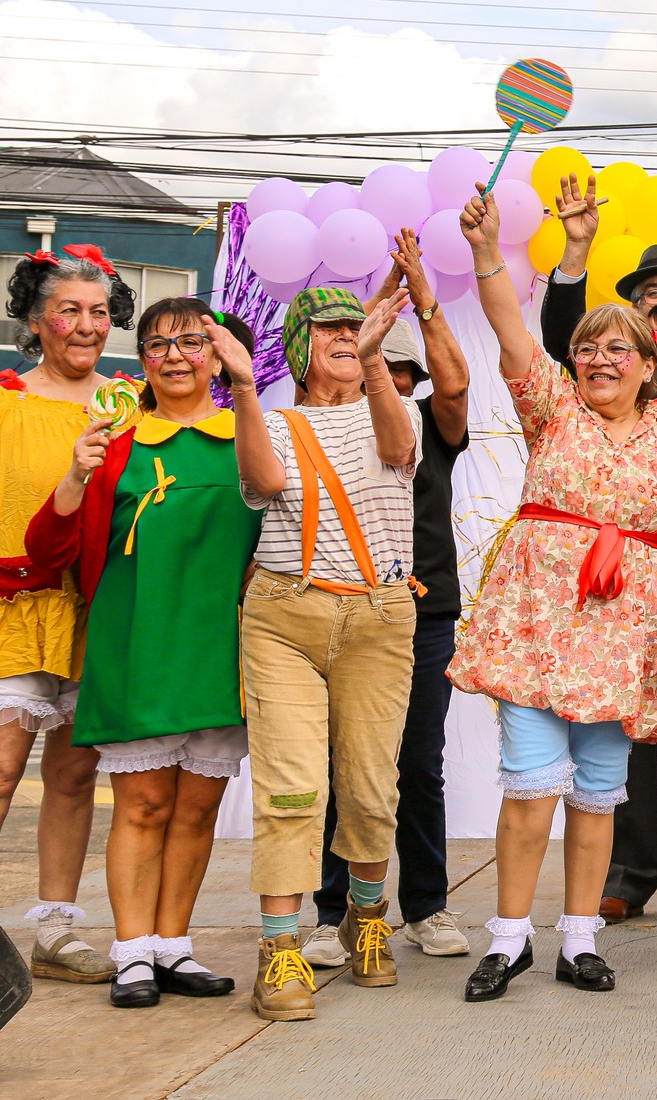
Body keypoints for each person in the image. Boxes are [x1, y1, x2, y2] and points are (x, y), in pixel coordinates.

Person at [450, 192, 657, 1001]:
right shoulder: (553, 409)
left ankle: (579, 941)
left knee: (598, 797)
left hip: (624, 641)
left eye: (618, 348)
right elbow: (509, 326)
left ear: (648, 361)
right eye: (588, 346)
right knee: (530, 790)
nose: (601, 357)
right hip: (534, 628)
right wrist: (491, 252)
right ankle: (507, 940)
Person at [24, 300, 263, 1008]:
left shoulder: (250, 434)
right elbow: (47, 551)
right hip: (137, 644)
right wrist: (75, 474)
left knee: (196, 809)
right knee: (144, 803)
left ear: (219, 355)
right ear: (142, 361)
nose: (175, 354)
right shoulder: (114, 441)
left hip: (221, 648)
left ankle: (172, 946)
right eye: (158, 343)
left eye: (193, 340)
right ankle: (131, 952)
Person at [0, 246, 135, 986]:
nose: (86, 327)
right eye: (70, 311)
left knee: (76, 776)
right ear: (36, 319)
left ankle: (54, 931)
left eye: (100, 313)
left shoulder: (128, 404)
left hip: (95, 616)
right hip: (12, 609)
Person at [539, 177, 657, 926]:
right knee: (626, 723)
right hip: (618, 579)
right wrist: (576, 249)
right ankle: (628, 870)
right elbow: (562, 334)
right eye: (652, 292)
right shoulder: (601, 374)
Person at [230, 285, 421, 1023]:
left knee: (373, 786)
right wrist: (245, 386)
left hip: (379, 615)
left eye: (355, 324)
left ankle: (366, 915)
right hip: (284, 613)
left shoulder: (388, 410)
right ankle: (280, 945)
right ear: (300, 344)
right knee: (291, 788)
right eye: (330, 327)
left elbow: (398, 449)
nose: (345, 334)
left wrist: (374, 360)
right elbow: (265, 482)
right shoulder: (273, 419)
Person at [308, 230, 472, 967]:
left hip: (426, 617)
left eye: (405, 371)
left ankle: (427, 906)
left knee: (417, 764)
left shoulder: (433, 433)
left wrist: (426, 304)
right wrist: (367, 318)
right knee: (344, 765)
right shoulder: (317, 427)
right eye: (384, 367)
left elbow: (458, 383)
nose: (395, 380)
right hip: (340, 610)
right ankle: (332, 911)